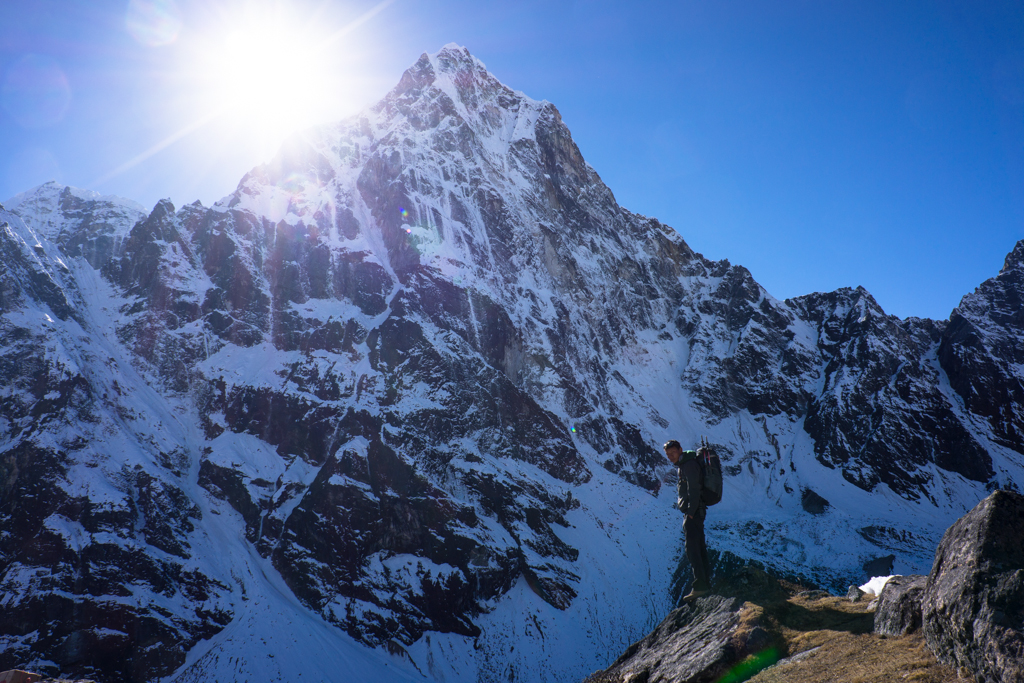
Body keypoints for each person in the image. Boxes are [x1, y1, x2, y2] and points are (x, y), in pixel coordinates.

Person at [665, 439, 712, 601]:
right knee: (699, 547)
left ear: (680, 450)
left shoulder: (689, 465)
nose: (671, 456)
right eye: (668, 454)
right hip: (695, 512)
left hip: (694, 513)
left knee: (692, 549)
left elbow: (694, 488)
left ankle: (700, 586)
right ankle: (705, 583)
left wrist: (691, 512)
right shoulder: (685, 464)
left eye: (673, 453)